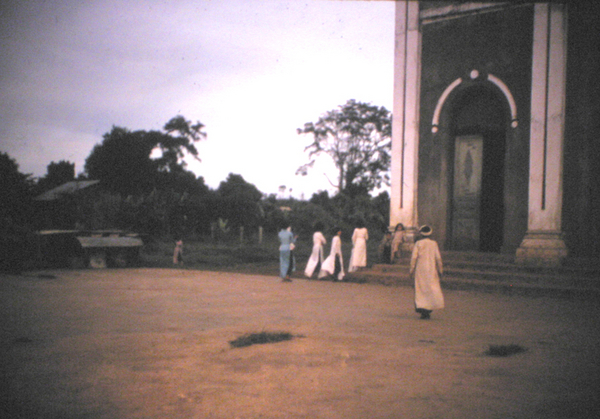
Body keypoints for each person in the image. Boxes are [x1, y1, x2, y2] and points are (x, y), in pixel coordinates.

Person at [409, 225, 444, 319]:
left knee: (421, 289)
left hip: (420, 270)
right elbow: (438, 258)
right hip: (432, 269)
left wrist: (411, 270)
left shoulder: (418, 243)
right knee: (431, 288)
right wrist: (440, 270)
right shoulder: (434, 244)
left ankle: (422, 309)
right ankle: (428, 309)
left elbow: (414, 258)